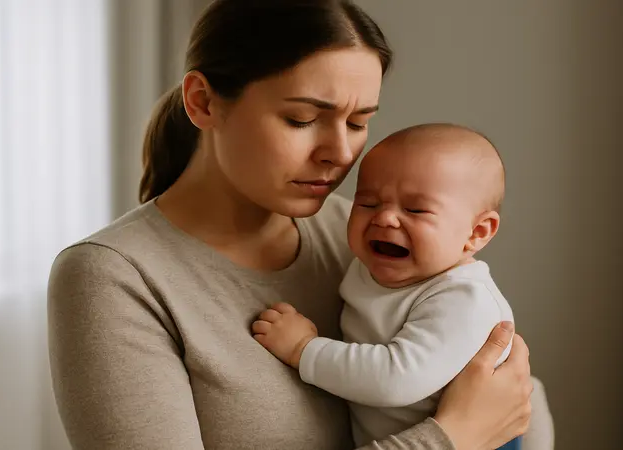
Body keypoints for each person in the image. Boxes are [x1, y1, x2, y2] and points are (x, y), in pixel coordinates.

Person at [47, 1, 546, 449]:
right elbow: (476, 419)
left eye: (358, 123)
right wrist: (453, 437)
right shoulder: (113, 278)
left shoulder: (360, 233)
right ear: (202, 101)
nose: (341, 153)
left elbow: (515, 397)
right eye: (302, 119)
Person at [251, 123, 528, 449]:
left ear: (477, 233)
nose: (384, 219)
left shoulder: (463, 300)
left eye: (415, 209)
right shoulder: (368, 266)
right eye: (368, 203)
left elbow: (395, 380)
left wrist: (304, 349)